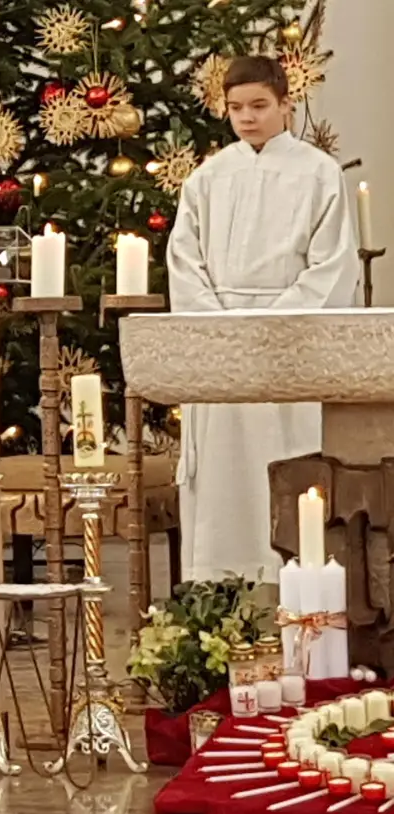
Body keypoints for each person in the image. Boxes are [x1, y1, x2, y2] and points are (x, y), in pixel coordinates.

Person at [168, 54, 358, 583]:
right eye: (236, 108)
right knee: (224, 484)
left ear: (285, 105)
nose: (247, 117)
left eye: (259, 106)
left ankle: (292, 584)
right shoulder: (210, 176)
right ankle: (218, 587)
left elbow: (331, 264)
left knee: (287, 461)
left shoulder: (317, 173)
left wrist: (272, 320)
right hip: (221, 338)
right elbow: (183, 259)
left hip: (286, 342)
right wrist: (217, 320)